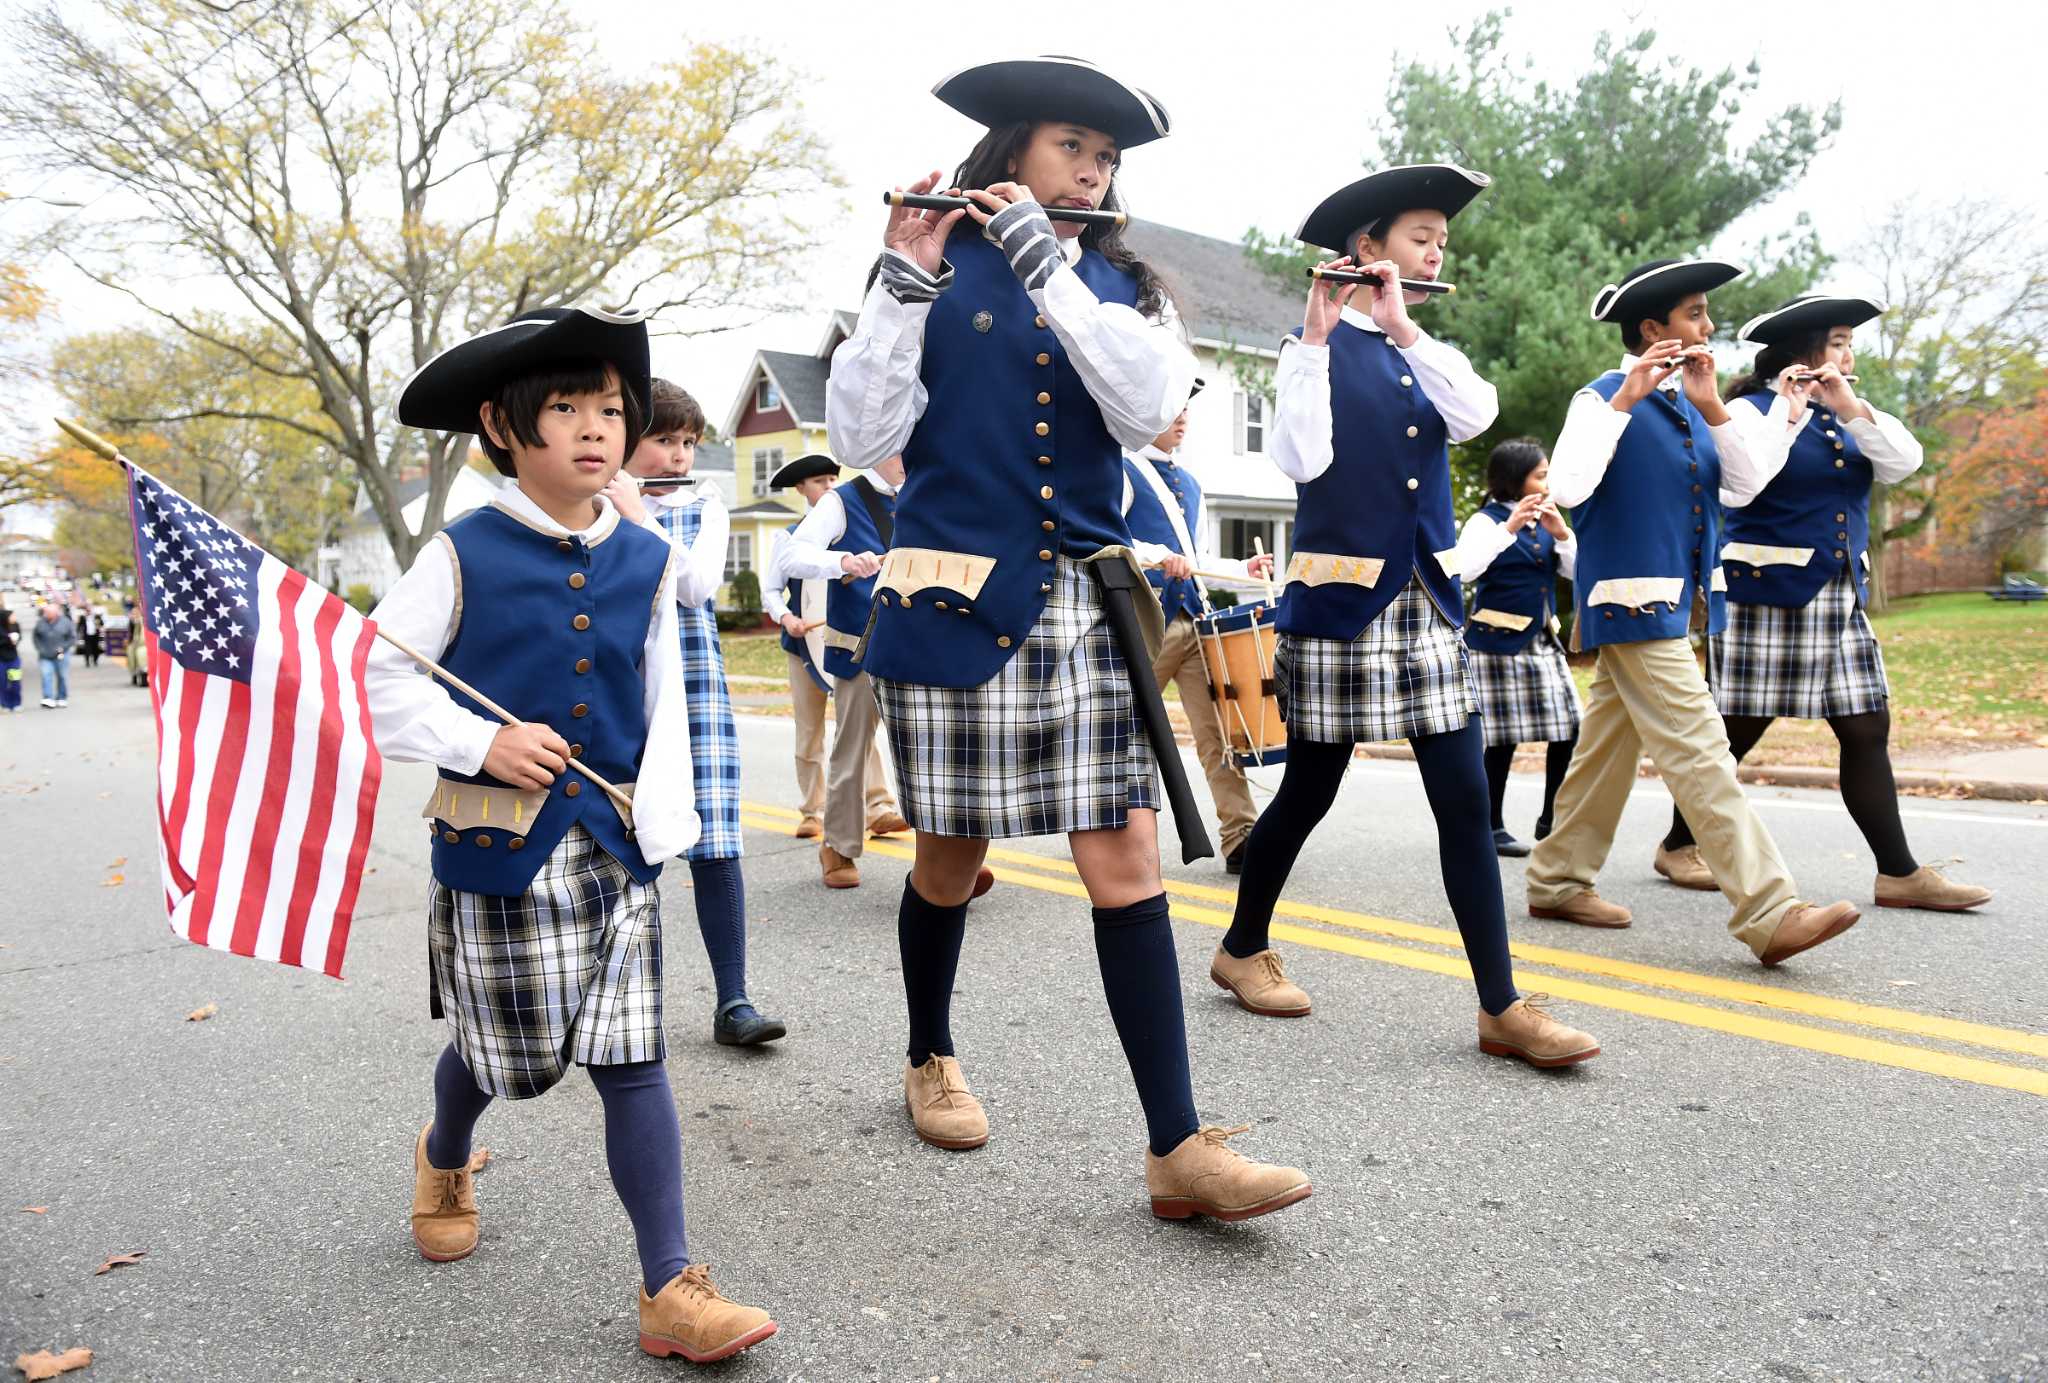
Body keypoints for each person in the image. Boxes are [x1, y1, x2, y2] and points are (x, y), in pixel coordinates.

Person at [826, 54, 1311, 1221]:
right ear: (1009, 156)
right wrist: (903, 276)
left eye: (1104, 159)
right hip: (952, 600)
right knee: (945, 861)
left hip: (1086, 607)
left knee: (1123, 863)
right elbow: (859, 429)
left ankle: (1176, 1148)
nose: (1091, 171)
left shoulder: (1121, 284)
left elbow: (1148, 409)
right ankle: (927, 1054)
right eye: (1070, 150)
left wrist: (1052, 264)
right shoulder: (927, 271)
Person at [367, 305, 776, 1363]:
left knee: (632, 1060)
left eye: (610, 409)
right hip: (503, 849)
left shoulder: (644, 552)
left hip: (617, 843)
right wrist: (476, 742)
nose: (596, 430)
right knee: (499, 1053)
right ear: (506, 430)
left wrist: (666, 817)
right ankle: (446, 1144)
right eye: (565, 409)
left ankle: (668, 1286)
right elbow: (373, 681)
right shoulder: (461, 553)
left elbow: (660, 697)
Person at [1218, 163, 1599, 1069]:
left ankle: (1501, 1005)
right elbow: (1302, 460)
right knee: (1309, 791)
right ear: (1366, 248)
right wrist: (1317, 336)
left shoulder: (1417, 347)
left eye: (1439, 241)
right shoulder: (1305, 348)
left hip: (1427, 602)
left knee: (1464, 803)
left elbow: (1479, 416)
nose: (1436, 251)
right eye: (1421, 237)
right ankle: (1240, 947)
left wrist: (1403, 324)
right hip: (1339, 605)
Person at [1526, 259, 1863, 967]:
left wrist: (1713, 406)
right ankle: (1770, 911)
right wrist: (1623, 401)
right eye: (1695, 313)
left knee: (1607, 746)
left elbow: (1741, 490)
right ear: (1653, 328)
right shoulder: (1600, 399)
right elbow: (1570, 485)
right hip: (1628, 599)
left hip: (1677, 604)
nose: (1709, 327)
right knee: (1701, 747)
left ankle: (1556, 879)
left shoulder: (1691, 405)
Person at [1655, 294, 1991, 912]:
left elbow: (1903, 463)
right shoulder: (1746, 409)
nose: (1848, 353)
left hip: (1840, 594)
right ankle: (1678, 843)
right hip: (1768, 593)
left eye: (1848, 344)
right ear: (1803, 349)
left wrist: (1850, 407)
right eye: (1838, 341)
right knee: (1735, 730)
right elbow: (1741, 485)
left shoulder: (1849, 412)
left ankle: (1898, 873)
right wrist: (1792, 409)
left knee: (1866, 726)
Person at [606, 378, 788, 1046]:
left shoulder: (701, 504)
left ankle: (733, 1000)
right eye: (664, 439)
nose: (679, 456)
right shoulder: (590, 502)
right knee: (619, 842)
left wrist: (637, 515)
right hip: (618, 689)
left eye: (687, 442)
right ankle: (615, 999)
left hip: (694, 690)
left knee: (715, 843)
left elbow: (696, 585)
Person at [1119, 384, 1275, 875]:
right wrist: (1154, 557)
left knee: (1218, 734)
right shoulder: (1120, 470)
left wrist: (1240, 567)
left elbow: (1195, 553)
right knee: (1123, 729)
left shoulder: (1188, 480)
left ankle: (1241, 836)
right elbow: (1111, 539)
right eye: (1173, 409)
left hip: (1192, 618)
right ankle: (1107, 826)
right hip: (1150, 621)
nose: (1183, 417)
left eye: (1187, 408)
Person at [777, 454, 916, 889]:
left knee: (931, 750)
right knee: (852, 747)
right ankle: (837, 844)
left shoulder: (930, 491)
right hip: (860, 642)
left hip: (923, 642)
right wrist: (840, 564)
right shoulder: (841, 501)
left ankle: (947, 854)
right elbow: (792, 555)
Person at [1455, 438, 1582, 857]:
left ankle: (1552, 818)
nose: (1547, 484)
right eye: (1540, 476)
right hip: (1494, 644)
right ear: (1515, 481)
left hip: (1541, 638)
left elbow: (1577, 573)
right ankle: (1491, 827)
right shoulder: (1485, 521)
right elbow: (1466, 570)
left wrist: (1562, 534)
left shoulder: (1548, 522)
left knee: (1571, 728)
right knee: (1501, 740)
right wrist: (1508, 529)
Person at [33, 603, 75, 708]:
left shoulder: (65, 622)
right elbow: (36, 637)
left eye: (49, 612)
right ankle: (48, 697)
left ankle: (61, 697)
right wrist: (40, 649)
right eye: (46, 612)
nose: (47, 614)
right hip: (45, 655)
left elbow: (72, 638)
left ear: (56, 612)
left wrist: (64, 647)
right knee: (46, 675)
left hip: (61, 654)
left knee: (62, 676)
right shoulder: (40, 622)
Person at [0, 606, 21, 712]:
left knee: (15, 681)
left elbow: (19, 637)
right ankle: (5, 704)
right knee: (2, 683)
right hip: (1, 660)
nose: (14, 617)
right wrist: (8, 640)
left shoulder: (15, 625)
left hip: (13, 659)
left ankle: (16, 703)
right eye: (12, 616)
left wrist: (16, 640)